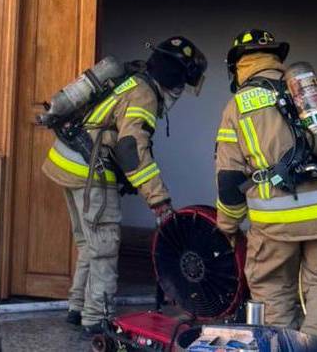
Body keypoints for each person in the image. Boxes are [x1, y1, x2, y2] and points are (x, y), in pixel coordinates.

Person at [42, 36, 207, 337]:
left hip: (66, 161)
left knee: (88, 245)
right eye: (182, 84)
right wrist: (159, 200)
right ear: (175, 80)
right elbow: (131, 148)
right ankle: (97, 319)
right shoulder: (144, 94)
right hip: (90, 171)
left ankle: (77, 307)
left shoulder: (132, 80)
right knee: (104, 247)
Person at [214, 29, 317, 352]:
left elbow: (229, 182)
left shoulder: (237, 106)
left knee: (273, 293)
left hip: (274, 223)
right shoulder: (314, 88)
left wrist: (227, 229)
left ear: (239, 65)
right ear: (276, 57)